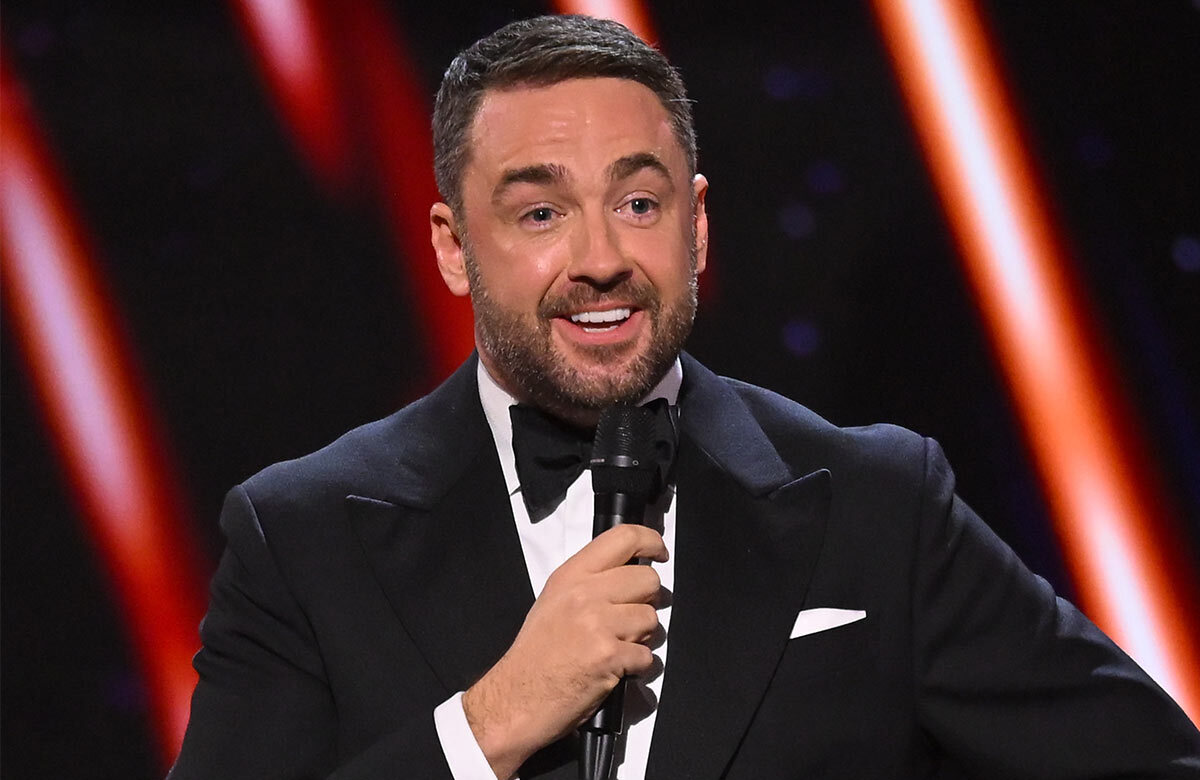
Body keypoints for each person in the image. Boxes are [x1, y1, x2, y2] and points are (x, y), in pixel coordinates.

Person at [168, 14, 1200, 780]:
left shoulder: (878, 504)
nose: (601, 258)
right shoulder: (301, 536)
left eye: (638, 202)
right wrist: (489, 724)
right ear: (451, 245)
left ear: (696, 227)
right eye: (540, 214)